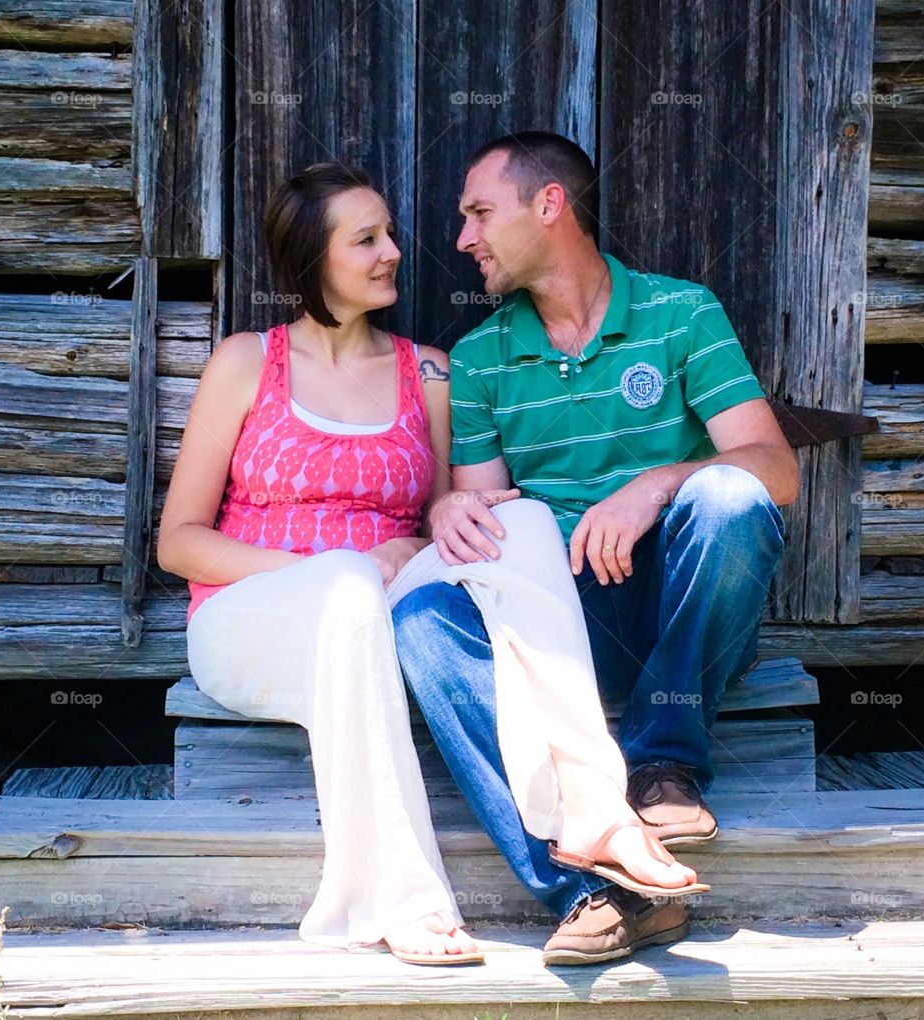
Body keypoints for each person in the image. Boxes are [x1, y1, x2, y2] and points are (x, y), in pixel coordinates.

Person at [158, 159, 705, 967]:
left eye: (391, 235)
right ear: (314, 258)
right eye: (367, 239)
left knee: (514, 522)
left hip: (381, 594)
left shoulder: (430, 372)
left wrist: (435, 524)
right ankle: (400, 898)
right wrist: (331, 566)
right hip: (252, 612)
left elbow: (453, 515)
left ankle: (596, 807)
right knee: (345, 586)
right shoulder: (247, 364)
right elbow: (179, 541)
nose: (394, 253)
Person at [392, 131, 798, 967]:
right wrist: (452, 516)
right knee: (424, 619)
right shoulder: (481, 359)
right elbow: (487, 514)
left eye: (478, 213)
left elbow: (774, 468)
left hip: (679, 617)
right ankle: (594, 891)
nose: (463, 238)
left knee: (728, 497)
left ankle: (662, 765)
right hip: (560, 629)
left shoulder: (682, 314)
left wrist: (652, 486)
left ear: (549, 206)